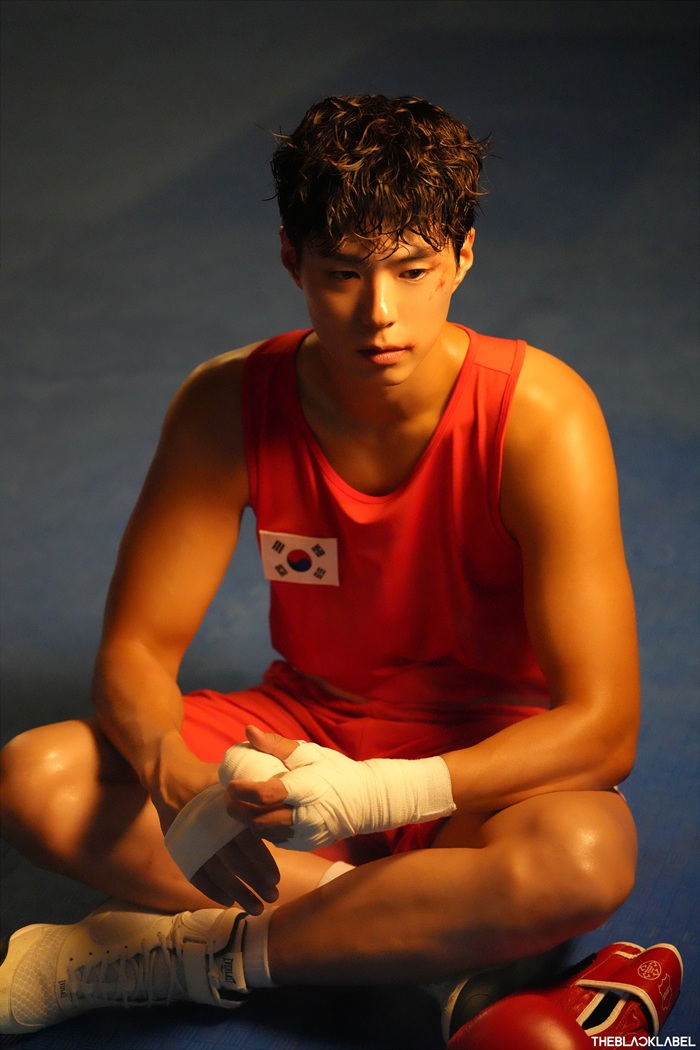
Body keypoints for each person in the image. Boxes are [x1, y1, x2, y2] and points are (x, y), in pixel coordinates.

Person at [0, 95, 639, 1040]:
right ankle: (421, 931)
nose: (380, 315)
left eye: (412, 271)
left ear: (463, 257)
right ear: (291, 260)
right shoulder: (227, 404)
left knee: (582, 857)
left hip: (483, 765)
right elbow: (135, 651)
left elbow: (604, 728)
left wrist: (381, 792)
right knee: (38, 778)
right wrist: (176, 781)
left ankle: (187, 956)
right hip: (300, 734)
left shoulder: (541, 416)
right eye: (342, 273)